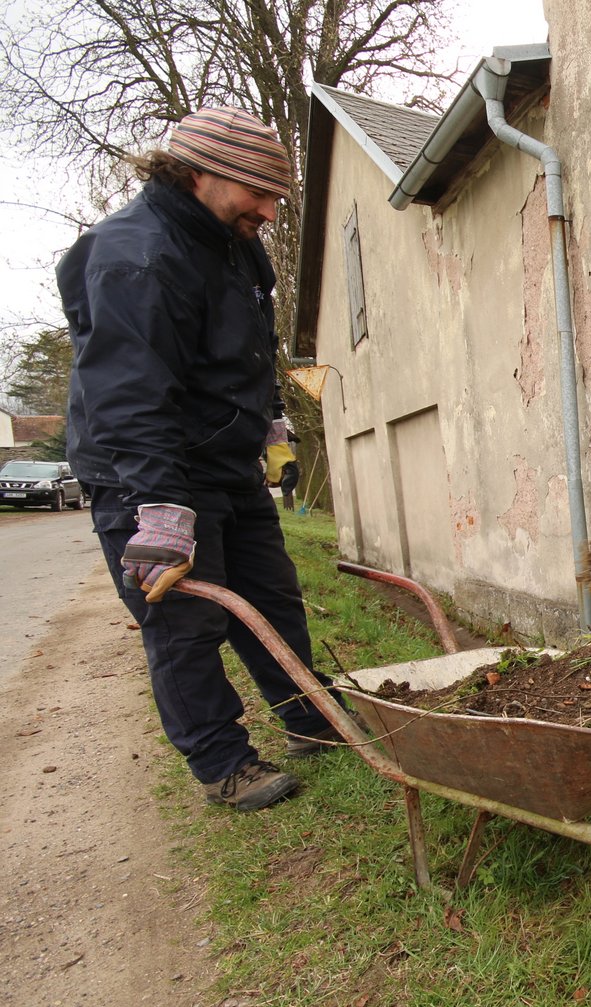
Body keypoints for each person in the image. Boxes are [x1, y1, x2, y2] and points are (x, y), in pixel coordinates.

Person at [57, 106, 345, 812]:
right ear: (198, 174)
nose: (269, 211)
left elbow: (250, 349)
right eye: (258, 192)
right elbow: (128, 395)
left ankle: (311, 719)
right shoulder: (135, 256)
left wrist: (271, 428)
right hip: (147, 472)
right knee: (185, 622)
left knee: (270, 600)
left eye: (275, 196)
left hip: (224, 465)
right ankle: (223, 763)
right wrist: (159, 511)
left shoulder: (233, 244)